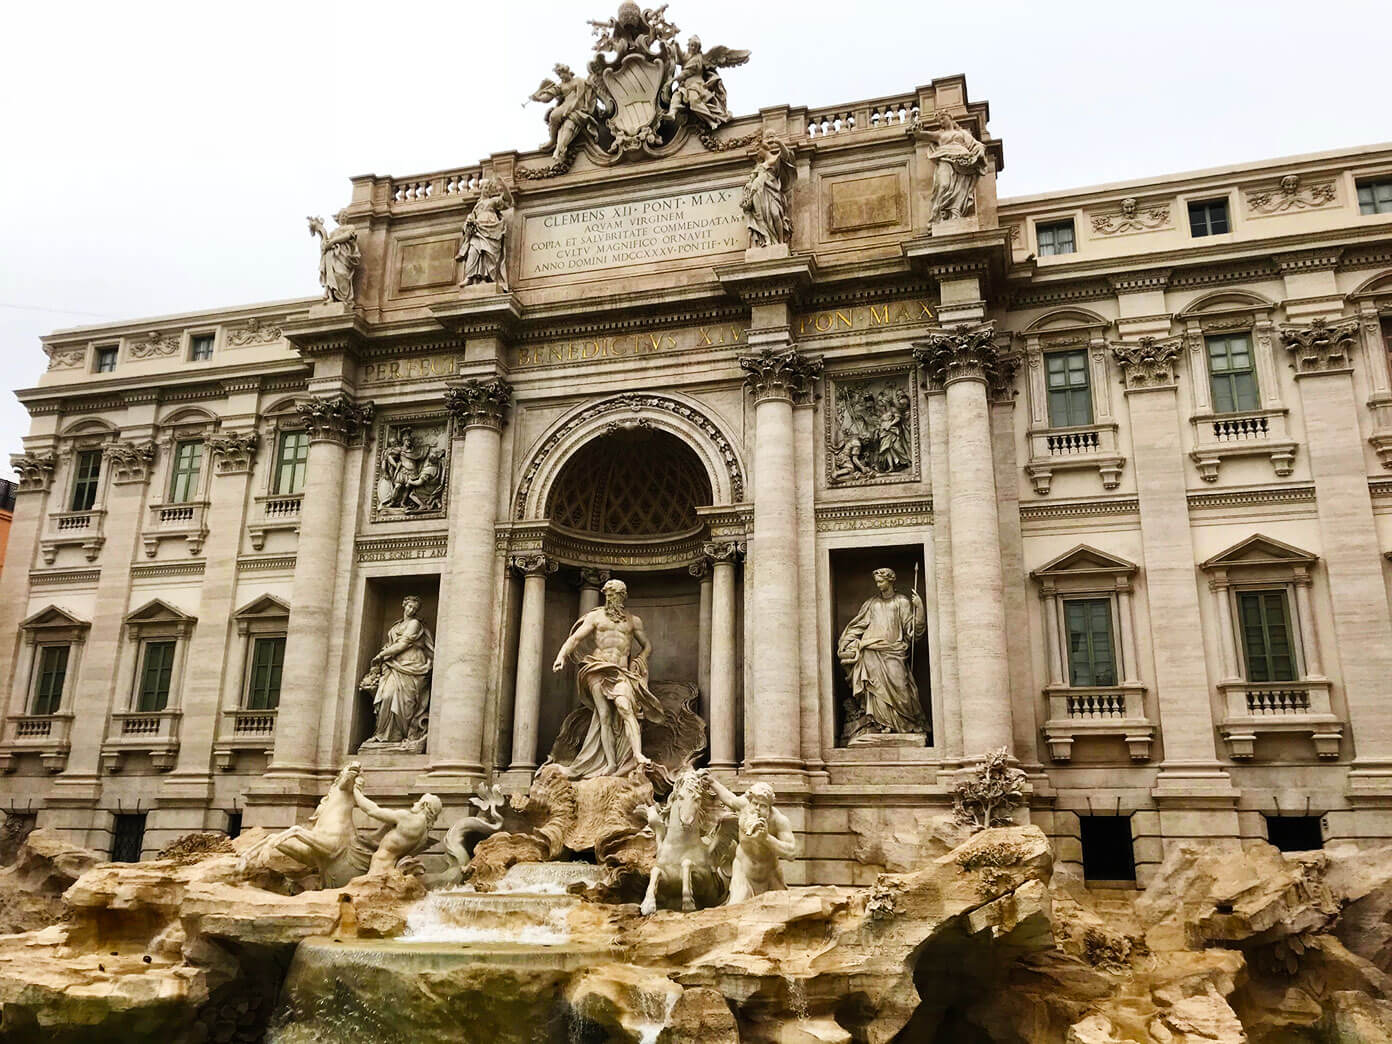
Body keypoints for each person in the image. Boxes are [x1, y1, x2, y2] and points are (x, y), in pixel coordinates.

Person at [550, 578, 664, 778]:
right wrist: (561, 656)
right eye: (610, 595)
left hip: (620, 672)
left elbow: (647, 645)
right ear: (605, 595)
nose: (613, 598)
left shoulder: (633, 620)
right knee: (604, 716)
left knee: (625, 707)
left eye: (617, 595)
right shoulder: (596, 617)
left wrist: (641, 658)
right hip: (598, 668)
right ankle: (611, 763)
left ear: (624, 596)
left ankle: (637, 754)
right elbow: (575, 638)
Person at [837, 568, 928, 734]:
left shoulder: (902, 601)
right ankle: (880, 724)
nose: (878, 585)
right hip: (871, 650)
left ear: (890, 580)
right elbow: (859, 625)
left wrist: (919, 608)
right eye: (877, 582)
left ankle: (903, 723)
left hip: (894, 651)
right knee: (875, 689)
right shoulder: (872, 603)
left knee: (901, 688)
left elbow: (912, 630)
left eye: (881, 581)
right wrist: (846, 642)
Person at [360, 596, 434, 750]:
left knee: (405, 702)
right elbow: (392, 644)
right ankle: (383, 734)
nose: (412, 610)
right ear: (404, 605)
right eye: (409, 607)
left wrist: (381, 655)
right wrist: (383, 657)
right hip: (394, 665)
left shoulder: (415, 624)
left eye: (415, 608)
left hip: (412, 665)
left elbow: (403, 643)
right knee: (386, 696)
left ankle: (399, 735)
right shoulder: (396, 626)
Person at [707, 777, 796, 903]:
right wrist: (712, 782)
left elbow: (791, 853)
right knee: (737, 908)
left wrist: (766, 838)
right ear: (750, 801)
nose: (757, 808)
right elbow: (729, 798)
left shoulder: (779, 821)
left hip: (770, 875)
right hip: (743, 873)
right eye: (755, 803)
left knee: (777, 911)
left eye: (763, 806)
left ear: (770, 807)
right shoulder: (744, 807)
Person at [350, 780, 442, 877]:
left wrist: (356, 790)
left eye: (419, 801)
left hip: (379, 868)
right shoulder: (424, 834)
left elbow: (372, 811)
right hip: (391, 869)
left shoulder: (407, 818)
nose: (415, 803)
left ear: (425, 805)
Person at [918, 111, 989, 222]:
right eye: (939, 120)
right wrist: (916, 130)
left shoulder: (962, 133)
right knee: (943, 185)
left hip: (963, 161)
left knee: (961, 188)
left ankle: (955, 212)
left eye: (943, 118)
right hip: (945, 159)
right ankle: (941, 213)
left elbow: (976, 144)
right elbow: (923, 135)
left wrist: (979, 151)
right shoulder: (939, 134)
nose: (941, 122)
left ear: (949, 117)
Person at [457, 179, 513, 288]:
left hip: (491, 230)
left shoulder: (493, 201)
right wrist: (468, 223)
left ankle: (484, 277)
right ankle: (470, 277)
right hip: (477, 231)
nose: (487, 190)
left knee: (488, 253)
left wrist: (504, 186)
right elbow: (469, 221)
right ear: (481, 189)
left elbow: (508, 200)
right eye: (485, 188)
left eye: (489, 188)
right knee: (473, 252)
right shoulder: (477, 206)